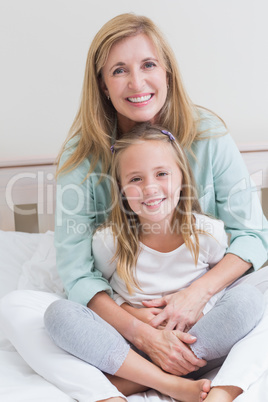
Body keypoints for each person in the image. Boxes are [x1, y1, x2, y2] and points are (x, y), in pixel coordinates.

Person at [0, 12, 267, 402]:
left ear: (168, 73)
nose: (137, 82)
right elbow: (79, 273)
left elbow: (253, 236)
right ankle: (168, 376)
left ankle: (207, 386)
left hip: (204, 311)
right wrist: (139, 328)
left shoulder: (208, 135)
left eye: (148, 65)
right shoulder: (81, 156)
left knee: (260, 295)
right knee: (17, 308)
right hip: (126, 313)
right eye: (119, 70)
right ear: (103, 86)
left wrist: (195, 296)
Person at [45, 123, 265, 400]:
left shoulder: (207, 234)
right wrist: (134, 316)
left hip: (196, 338)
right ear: (121, 189)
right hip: (133, 345)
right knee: (59, 314)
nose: (150, 188)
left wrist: (199, 311)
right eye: (135, 179)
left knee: (248, 298)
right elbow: (103, 292)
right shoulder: (110, 241)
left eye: (162, 174)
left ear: (182, 178)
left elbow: (223, 290)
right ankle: (167, 375)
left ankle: (144, 379)